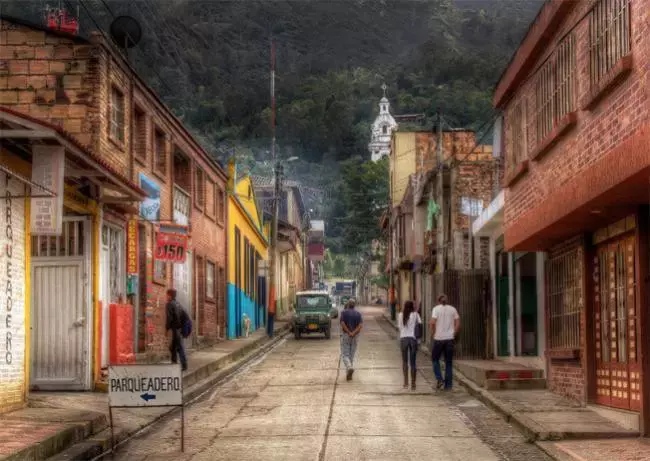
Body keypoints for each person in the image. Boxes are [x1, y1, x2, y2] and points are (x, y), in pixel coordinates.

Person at [430, 294, 460, 390]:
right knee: (449, 362)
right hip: (449, 339)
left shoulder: (436, 309)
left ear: (438, 301)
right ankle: (448, 386)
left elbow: (432, 322)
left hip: (438, 339)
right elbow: (458, 323)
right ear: (447, 300)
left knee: (435, 359)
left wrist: (433, 333)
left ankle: (439, 378)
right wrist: (454, 333)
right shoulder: (453, 309)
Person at [398, 300, 421, 390]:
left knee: (404, 361)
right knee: (413, 362)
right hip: (413, 339)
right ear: (412, 306)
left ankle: (405, 383)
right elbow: (420, 325)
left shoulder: (400, 315)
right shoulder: (416, 315)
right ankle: (413, 384)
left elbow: (399, 327)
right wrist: (418, 338)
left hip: (403, 339)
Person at [340, 298, 363, 381]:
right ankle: (349, 374)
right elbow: (360, 325)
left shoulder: (344, 313)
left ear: (348, 304)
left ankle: (349, 368)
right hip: (355, 336)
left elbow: (342, 323)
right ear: (354, 305)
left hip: (346, 335)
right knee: (351, 355)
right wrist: (353, 333)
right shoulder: (358, 314)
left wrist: (349, 332)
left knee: (345, 355)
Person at [165, 288, 188, 371]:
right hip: (179, 328)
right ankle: (174, 362)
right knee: (173, 347)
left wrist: (166, 329)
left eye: (167, 295)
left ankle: (184, 365)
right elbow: (185, 315)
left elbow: (169, 318)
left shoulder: (169, 304)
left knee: (179, 347)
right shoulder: (178, 304)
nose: (166, 297)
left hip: (175, 329)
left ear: (170, 296)